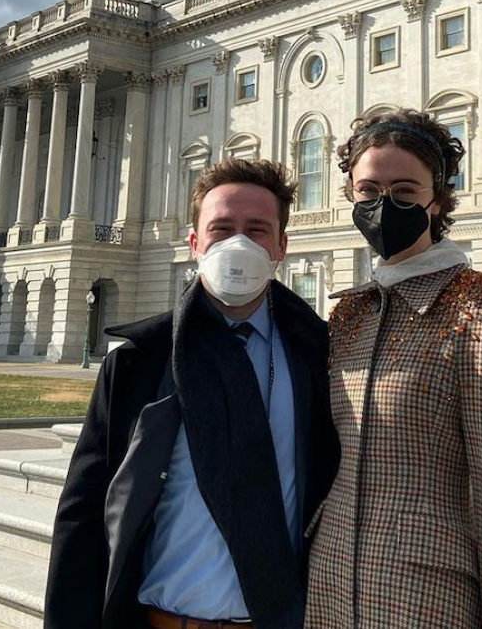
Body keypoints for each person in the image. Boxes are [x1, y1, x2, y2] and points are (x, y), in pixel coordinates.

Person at [45, 158, 338, 629]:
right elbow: (83, 511)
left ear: (281, 246)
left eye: (257, 230)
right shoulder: (140, 363)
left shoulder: (320, 358)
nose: (239, 243)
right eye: (221, 229)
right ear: (194, 243)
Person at [305, 109, 482, 629]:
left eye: (404, 191)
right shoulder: (348, 315)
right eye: (368, 191)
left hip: (425, 595)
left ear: (436, 199)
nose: (383, 205)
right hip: (328, 590)